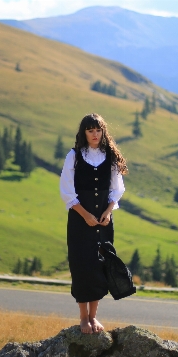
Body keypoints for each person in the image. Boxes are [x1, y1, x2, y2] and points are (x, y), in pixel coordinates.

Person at [60, 113, 128, 334]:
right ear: (84, 133)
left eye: (98, 130)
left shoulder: (110, 156)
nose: (95, 134)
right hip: (80, 219)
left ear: (103, 131)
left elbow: (117, 190)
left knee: (100, 265)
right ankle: (83, 318)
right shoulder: (74, 156)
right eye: (90, 130)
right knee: (81, 265)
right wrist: (85, 214)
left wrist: (108, 213)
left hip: (103, 219)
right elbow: (67, 191)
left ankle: (94, 317)